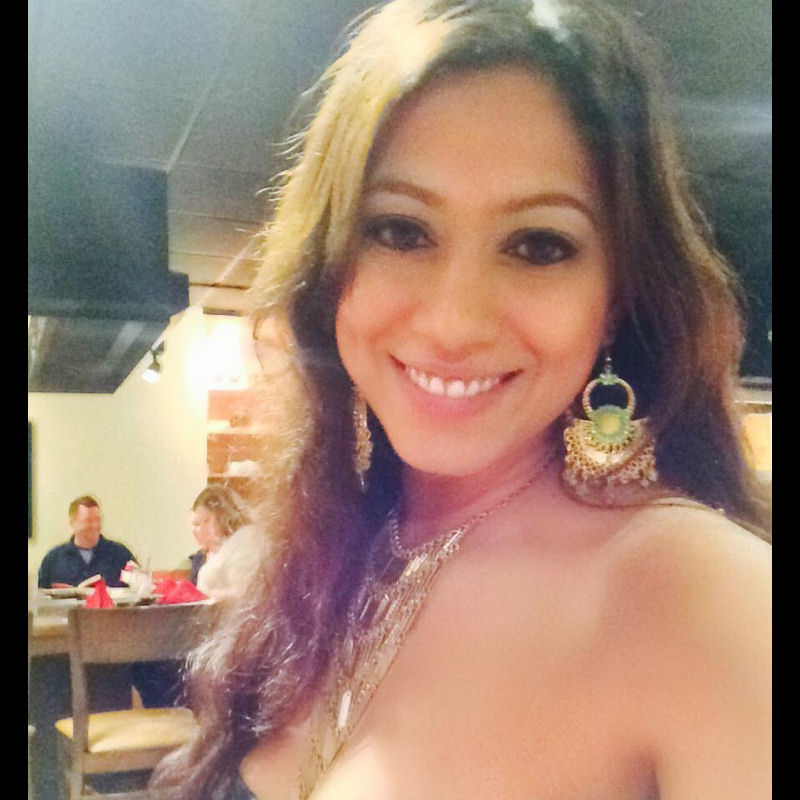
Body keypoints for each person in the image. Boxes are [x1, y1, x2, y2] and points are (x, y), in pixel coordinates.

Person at [152, 1, 771, 798]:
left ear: (615, 297)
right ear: (331, 262)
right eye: (401, 231)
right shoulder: (332, 553)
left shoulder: (703, 598)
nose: (454, 323)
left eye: (539, 245)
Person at [37, 495, 137, 588]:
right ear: (72, 522)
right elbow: (41, 596)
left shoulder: (120, 554)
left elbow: (138, 591)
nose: (94, 525)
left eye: (97, 520)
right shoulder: (53, 560)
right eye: (88, 521)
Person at [191, 485, 265, 601]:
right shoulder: (216, 550)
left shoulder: (246, 539)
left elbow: (243, 593)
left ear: (223, 517)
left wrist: (206, 595)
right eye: (196, 524)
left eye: (206, 521)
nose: (200, 530)